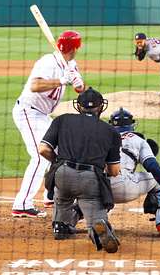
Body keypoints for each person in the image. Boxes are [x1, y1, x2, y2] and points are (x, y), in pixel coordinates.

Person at [11, 30, 85, 218]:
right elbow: (35, 86)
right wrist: (61, 80)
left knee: (62, 151)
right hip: (28, 111)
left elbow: (80, 89)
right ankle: (22, 204)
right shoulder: (47, 62)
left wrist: (77, 82)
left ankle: (50, 194)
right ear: (75, 47)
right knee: (40, 156)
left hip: (43, 115)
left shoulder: (70, 64)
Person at [38, 88, 122, 252]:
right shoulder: (110, 131)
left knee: (62, 197)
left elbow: (43, 149)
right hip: (90, 178)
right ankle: (97, 229)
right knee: (93, 206)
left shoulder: (62, 120)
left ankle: (60, 227)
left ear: (78, 106)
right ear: (100, 107)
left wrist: (58, 163)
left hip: (63, 174)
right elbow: (114, 170)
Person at [107, 108, 160, 236]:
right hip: (124, 188)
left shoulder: (101, 138)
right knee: (158, 178)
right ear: (132, 125)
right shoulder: (138, 140)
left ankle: (68, 221)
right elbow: (154, 168)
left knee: (88, 188)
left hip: (100, 191)